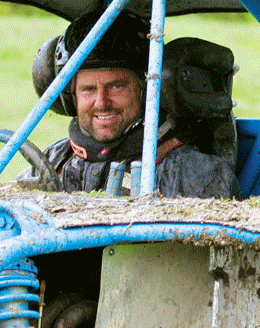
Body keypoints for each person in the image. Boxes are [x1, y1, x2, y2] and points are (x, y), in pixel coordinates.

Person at [26, 11, 242, 199]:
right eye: (88, 89)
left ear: (148, 90)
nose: (101, 103)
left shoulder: (193, 173)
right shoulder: (53, 160)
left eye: (117, 86)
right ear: (69, 96)